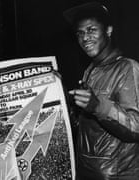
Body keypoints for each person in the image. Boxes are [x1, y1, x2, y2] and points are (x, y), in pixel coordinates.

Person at [64, 2, 139, 180]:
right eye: (80, 33)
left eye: (91, 30)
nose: (85, 38)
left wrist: (98, 107)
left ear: (109, 31)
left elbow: (136, 127)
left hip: (116, 175)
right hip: (88, 172)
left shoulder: (127, 68)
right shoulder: (90, 69)